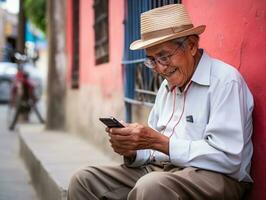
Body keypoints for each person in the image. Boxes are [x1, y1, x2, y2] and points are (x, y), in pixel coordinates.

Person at [67, 4, 253, 200]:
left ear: (191, 45)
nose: (160, 68)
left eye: (164, 56)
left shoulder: (225, 81)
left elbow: (228, 158)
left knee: (151, 186)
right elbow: (153, 152)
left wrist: (161, 142)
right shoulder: (166, 88)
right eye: (152, 60)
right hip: (163, 171)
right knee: (83, 180)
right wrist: (133, 150)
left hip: (215, 177)